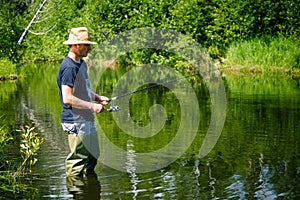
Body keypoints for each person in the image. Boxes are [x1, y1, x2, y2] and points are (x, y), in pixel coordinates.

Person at [57, 27, 109, 176]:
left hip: (86, 118)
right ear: (76, 45)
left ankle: (89, 189)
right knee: (77, 163)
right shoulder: (69, 67)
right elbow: (68, 98)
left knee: (93, 156)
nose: (90, 48)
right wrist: (93, 106)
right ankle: (77, 191)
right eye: (87, 45)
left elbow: (82, 90)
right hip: (76, 120)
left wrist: (97, 97)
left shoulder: (81, 64)